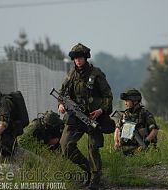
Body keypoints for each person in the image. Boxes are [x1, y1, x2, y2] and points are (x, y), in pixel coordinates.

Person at [58, 43, 113, 190]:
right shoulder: (71, 75)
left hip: (94, 117)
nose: (78, 61)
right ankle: (88, 170)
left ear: (85, 58)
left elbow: (108, 96)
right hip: (75, 117)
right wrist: (61, 105)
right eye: (75, 58)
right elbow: (62, 94)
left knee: (93, 148)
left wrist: (101, 110)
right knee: (66, 146)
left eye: (80, 58)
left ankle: (95, 179)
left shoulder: (96, 74)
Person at [114, 89, 159, 155]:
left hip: (141, 150)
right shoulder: (125, 115)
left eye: (127, 101)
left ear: (135, 101)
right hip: (124, 150)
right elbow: (117, 129)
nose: (125, 103)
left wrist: (146, 142)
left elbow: (154, 130)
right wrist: (116, 142)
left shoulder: (145, 114)